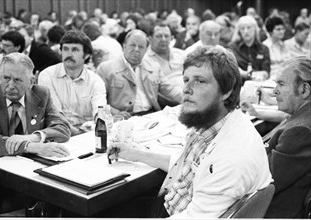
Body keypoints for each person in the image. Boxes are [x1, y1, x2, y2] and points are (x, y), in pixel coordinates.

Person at [102, 46, 272, 218]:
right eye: (186, 80)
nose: (186, 89)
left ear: (227, 91)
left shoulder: (231, 158)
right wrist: (135, 154)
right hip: (171, 203)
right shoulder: (219, 124)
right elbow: (186, 164)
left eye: (199, 81)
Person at [0, 52, 71, 213]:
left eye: (18, 80)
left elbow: (63, 128)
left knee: (63, 199)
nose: (10, 85)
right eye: (6, 78)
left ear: (31, 81)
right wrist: (31, 146)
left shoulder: (41, 94)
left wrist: (35, 136)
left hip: (32, 169)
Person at [97, 30, 182, 119]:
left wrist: (189, 97)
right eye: (132, 45)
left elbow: (170, 89)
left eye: (141, 47)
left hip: (151, 115)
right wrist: (116, 113)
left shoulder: (154, 67)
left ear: (146, 50)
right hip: (124, 118)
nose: (136, 49)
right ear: (124, 46)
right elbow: (99, 101)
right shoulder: (106, 68)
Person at [265, 57, 311, 218]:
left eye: (281, 84)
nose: (274, 91)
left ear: (304, 90)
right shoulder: (300, 116)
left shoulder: (301, 130)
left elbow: (264, 180)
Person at [38, 30, 106, 136]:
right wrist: (75, 132)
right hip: (58, 134)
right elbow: (55, 115)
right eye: (65, 49)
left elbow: (100, 112)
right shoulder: (47, 76)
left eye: (75, 50)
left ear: (87, 55)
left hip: (87, 134)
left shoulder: (95, 81)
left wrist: (97, 125)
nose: (69, 54)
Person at [144, 23, 185, 96]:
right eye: (159, 36)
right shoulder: (146, 61)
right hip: (170, 100)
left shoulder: (181, 54)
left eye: (166, 36)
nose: (163, 39)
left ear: (171, 38)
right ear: (150, 39)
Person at [229, 15, 270, 81]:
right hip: (239, 85)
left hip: (258, 83)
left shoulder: (264, 48)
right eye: (242, 28)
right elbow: (230, 69)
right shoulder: (232, 48)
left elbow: (266, 71)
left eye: (248, 27)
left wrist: (259, 75)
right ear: (239, 31)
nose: (246, 31)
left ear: (255, 29)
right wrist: (243, 73)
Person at [263, 16, 291, 80]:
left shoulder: (284, 45)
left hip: (285, 77)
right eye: (278, 29)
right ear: (270, 31)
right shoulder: (264, 46)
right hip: (270, 78)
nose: (282, 31)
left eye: (283, 29)